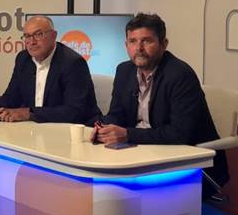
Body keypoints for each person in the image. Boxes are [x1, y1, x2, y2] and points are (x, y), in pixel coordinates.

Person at [95, 12, 229, 187]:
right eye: (133, 41)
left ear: (163, 44)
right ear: (126, 45)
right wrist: (102, 127)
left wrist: (127, 134)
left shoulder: (180, 75)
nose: (139, 48)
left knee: (122, 190)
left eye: (146, 41)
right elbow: (117, 114)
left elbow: (180, 133)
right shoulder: (124, 71)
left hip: (186, 162)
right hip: (140, 154)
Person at [0, 15, 100, 123]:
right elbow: (13, 95)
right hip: (37, 130)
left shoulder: (73, 63)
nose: (32, 42)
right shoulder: (23, 59)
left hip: (74, 131)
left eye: (38, 34)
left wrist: (28, 113)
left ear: (53, 36)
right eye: (27, 36)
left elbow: (73, 112)